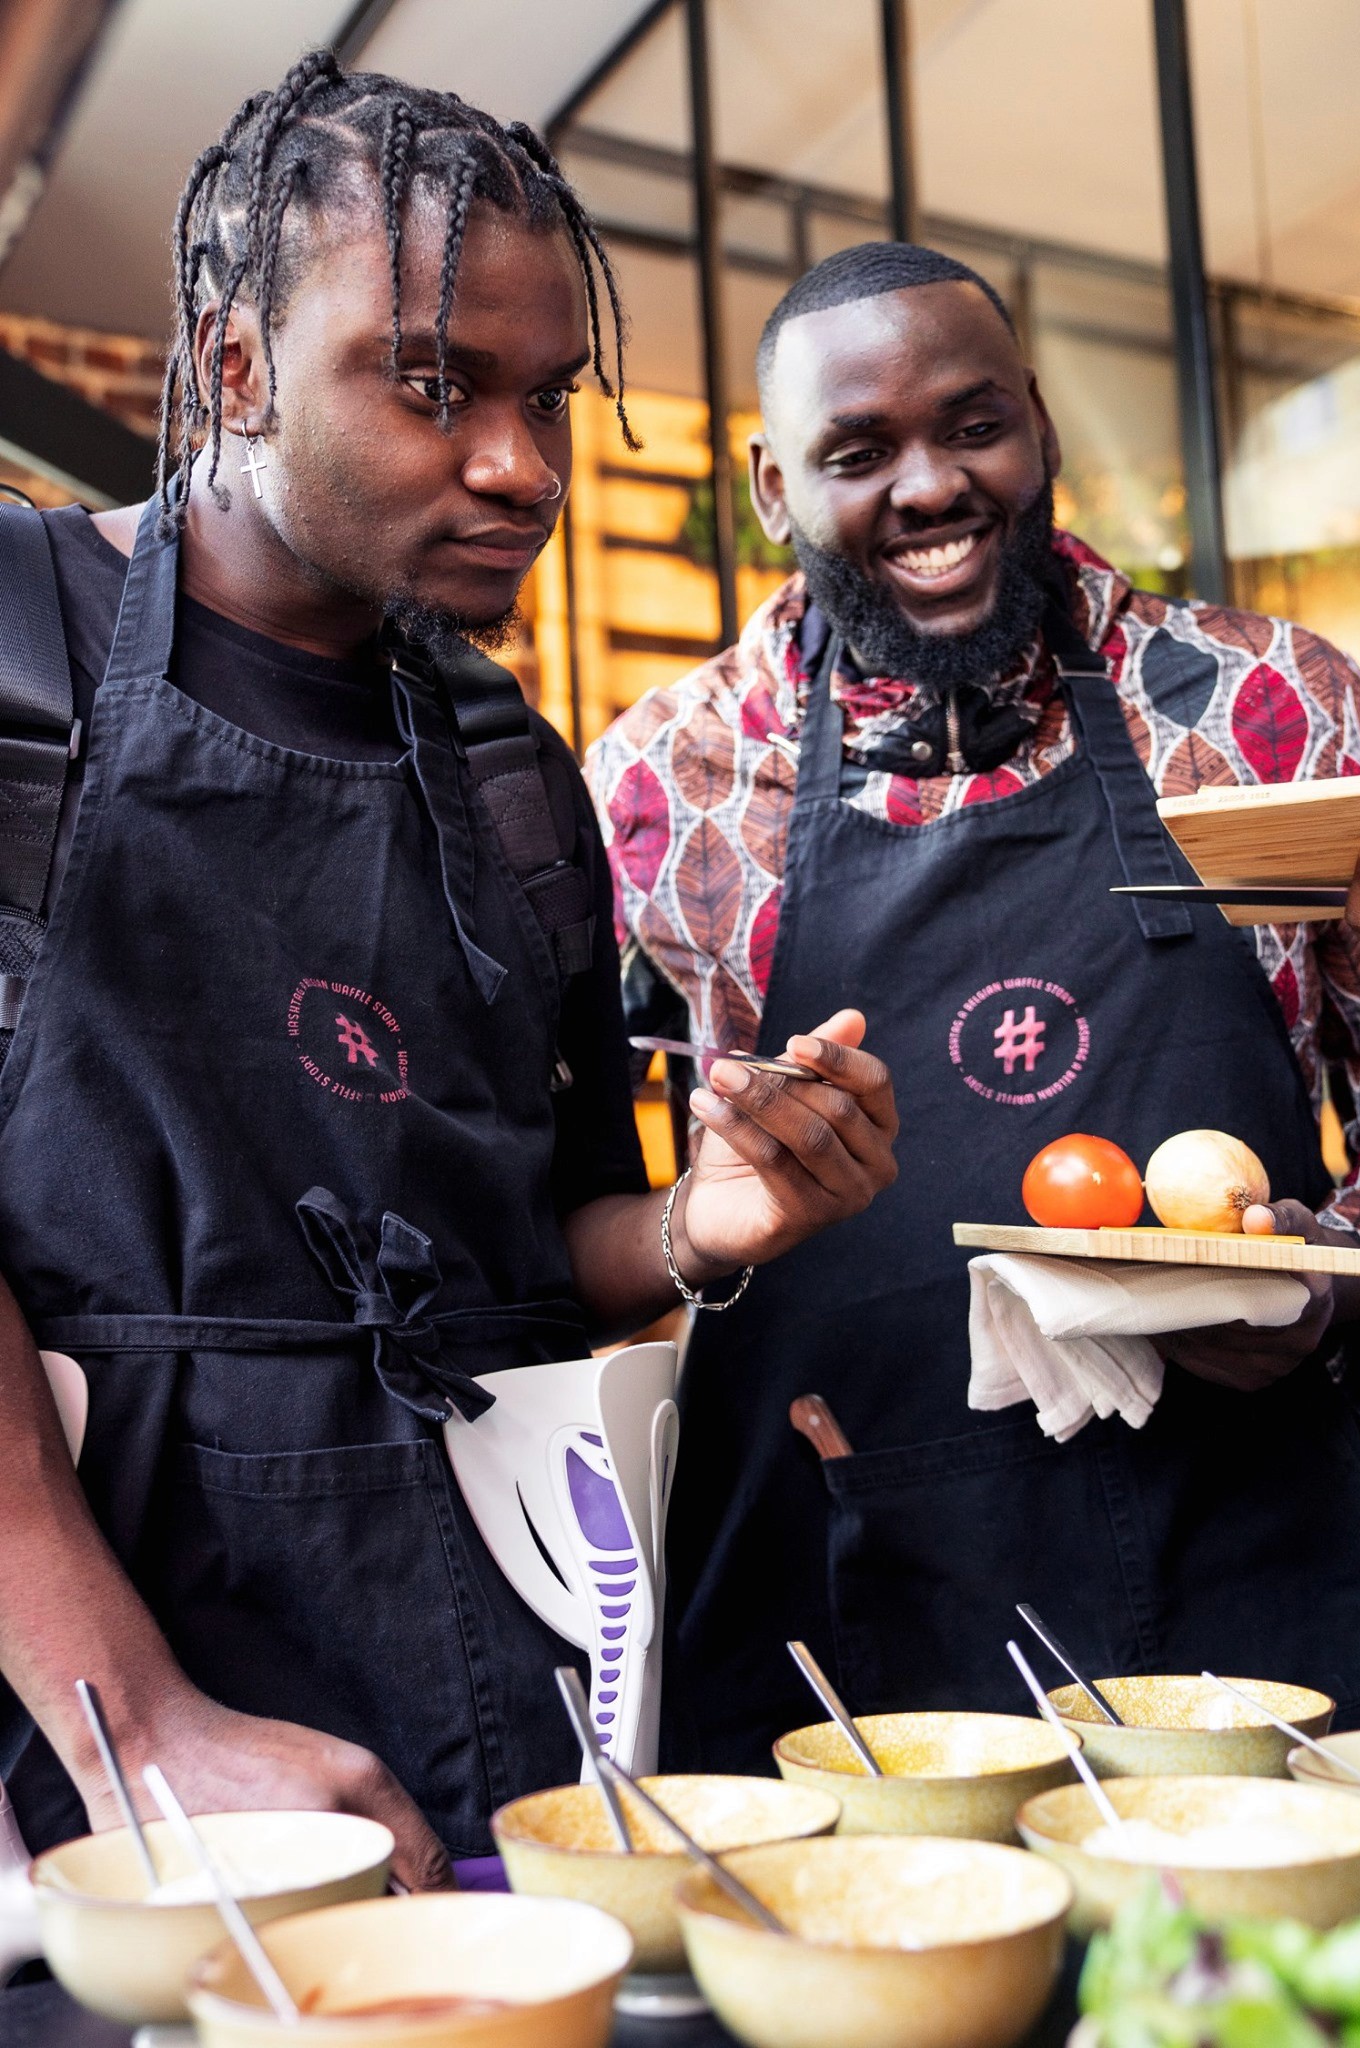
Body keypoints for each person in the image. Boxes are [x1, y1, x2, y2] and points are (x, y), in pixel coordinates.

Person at [0, 58, 899, 1882]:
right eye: (433, 386)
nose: (526, 465)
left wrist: (697, 1228)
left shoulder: (508, 770)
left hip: (488, 1725)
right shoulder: (19, 653)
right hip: (91, 1761)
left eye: (547, 396)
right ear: (236, 362)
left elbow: (528, 1265)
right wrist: (138, 1729)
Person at [588, 240, 1360, 1775]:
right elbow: (565, 1209)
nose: (928, 485)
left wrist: (1328, 1287)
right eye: (857, 451)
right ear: (768, 489)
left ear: (1043, 427)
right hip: (850, 1571)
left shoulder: (1276, 708)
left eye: (972, 424)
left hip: (1256, 1552)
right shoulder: (658, 787)